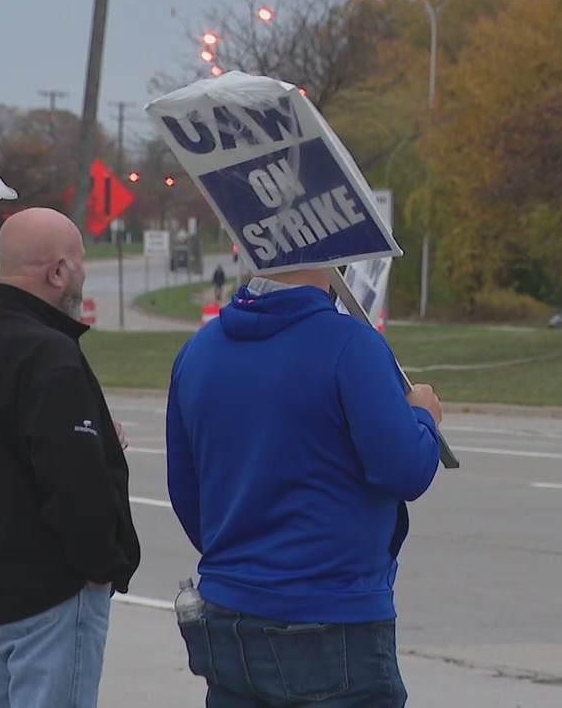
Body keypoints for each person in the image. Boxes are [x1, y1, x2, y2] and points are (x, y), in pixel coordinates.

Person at [166, 268, 443, 707]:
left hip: (227, 612)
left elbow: (186, 490)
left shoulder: (199, 349)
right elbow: (405, 470)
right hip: (333, 618)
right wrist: (423, 417)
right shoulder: (351, 345)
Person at [0, 207, 141, 708]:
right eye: (80, 261)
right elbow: (74, 482)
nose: (82, 274)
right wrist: (102, 566)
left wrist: (99, 438)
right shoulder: (49, 355)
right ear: (58, 271)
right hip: (52, 595)